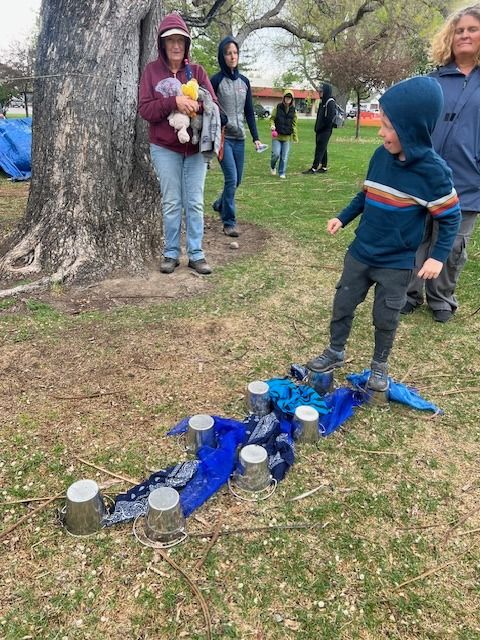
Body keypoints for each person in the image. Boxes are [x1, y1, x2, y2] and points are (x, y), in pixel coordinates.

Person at [305, 76, 461, 392]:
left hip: (396, 262)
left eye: (388, 127)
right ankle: (335, 351)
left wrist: (437, 257)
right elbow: (367, 194)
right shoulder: (380, 157)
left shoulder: (433, 173)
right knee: (343, 303)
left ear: (412, 129)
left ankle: (379, 367)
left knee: (386, 315)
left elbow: (451, 218)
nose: (381, 132)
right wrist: (343, 217)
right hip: (361, 252)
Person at [402, 4, 480, 322]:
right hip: (425, 177)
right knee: (417, 237)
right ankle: (410, 293)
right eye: (459, 30)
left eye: (472, 29)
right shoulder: (433, 80)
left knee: (453, 246)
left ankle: (441, 298)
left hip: (468, 180)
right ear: (449, 36)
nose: (464, 35)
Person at [138, 13, 218, 275]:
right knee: (172, 201)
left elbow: (213, 105)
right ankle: (171, 253)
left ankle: (196, 254)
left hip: (195, 148)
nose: (175, 46)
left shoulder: (197, 72)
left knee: (194, 201)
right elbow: (145, 110)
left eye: (180, 41)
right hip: (164, 147)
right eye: (170, 40)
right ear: (162, 44)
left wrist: (197, 104)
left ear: (186, 45)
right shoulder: (151, 71)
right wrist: (174, 102)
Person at [210, 36, 264, 237]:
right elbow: (210, 108)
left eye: (235, 53)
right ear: (222, 56)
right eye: (228, 53)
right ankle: (229, 221)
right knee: (231, 179)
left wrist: (255, 137)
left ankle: (218, 203)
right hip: (223, 139)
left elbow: (249, 112)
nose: (232, 56)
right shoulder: (215, 81)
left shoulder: (245, 82)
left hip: (240, 139)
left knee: (237, 180)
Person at [302, 83, 336, 174]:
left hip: (325, 130)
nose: (319, 93)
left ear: (326, 91)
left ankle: (314, 168)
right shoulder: (323, 102)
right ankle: (324, 167)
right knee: (323, 148)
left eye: (321, 91)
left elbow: (329, 118)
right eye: (319, 91)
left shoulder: (330, 102)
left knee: (319, 148)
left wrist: (322, 127)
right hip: (320, 129)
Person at [269, 90, 298, 179]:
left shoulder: (293, 110)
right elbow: (272, 118)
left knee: (284, 157)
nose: (288, 99)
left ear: (292, 99)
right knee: (276, 154)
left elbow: (294, 124)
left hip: (286, 137)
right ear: (284, 98)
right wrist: (272, 125)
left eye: (290, 98)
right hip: (277, 136)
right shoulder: (278, 107)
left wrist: (295, 136)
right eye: (286, 97)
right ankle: (272, 166)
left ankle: (282, 172)